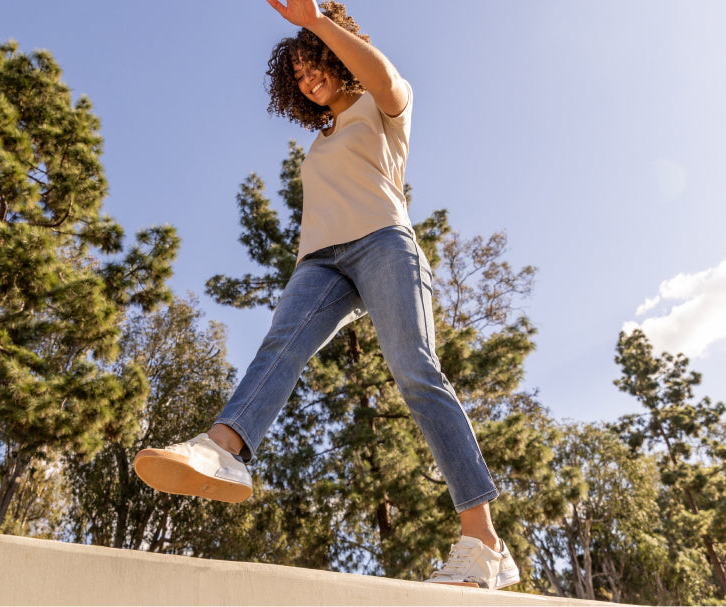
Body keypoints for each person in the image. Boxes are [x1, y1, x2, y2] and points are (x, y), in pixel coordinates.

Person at [133, 0, 519, 591]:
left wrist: (315, 22)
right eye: (299, 76)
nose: (309, 79)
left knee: (416, 372)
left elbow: (384, 78)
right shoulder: (319, 143)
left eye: (314, 65)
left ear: (335, 56)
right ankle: (223, 449)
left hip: (384, 243)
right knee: (279, 347)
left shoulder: (382, 107)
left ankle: (484, 541)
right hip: (320, 262)